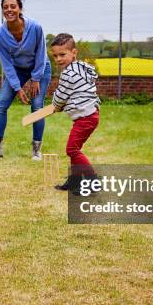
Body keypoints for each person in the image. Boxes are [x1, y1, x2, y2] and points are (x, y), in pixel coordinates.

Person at [0, 0, 52, 161]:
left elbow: (42, 54)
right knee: (1, 104)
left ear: (20, 9)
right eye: (5, 7)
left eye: (13, 6)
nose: (9, 10)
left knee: (36, 106)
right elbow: (6, 65)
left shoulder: (35, 27)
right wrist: (17, 88)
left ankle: (36, 149)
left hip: (39, 68)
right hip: (17, 70)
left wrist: (36, 78)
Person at [49, 33, 100, 194]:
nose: (58, 59)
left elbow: (61, 95)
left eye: (62, 54)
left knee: (72, 150)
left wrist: (56, 106)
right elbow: (76, 93)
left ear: (74, 53)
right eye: (55, 55)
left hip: (86, 117)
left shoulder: (68, 74)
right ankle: (75, 180)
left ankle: (93, 181)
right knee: (75, 148)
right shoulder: (79, 68)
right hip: (90, 115)